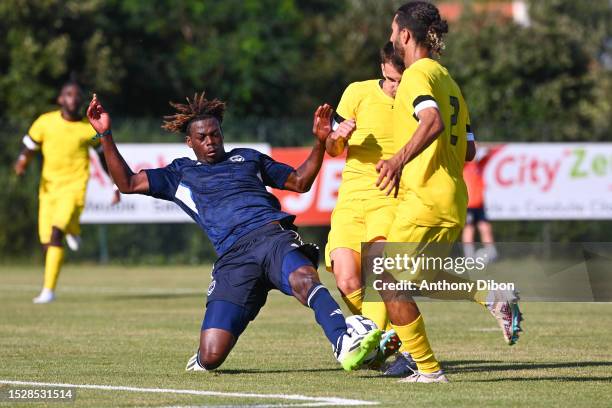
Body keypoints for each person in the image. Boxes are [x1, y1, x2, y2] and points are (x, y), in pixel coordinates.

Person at [86, 92, 381, 372]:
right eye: (202, 137)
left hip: (272, 237)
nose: (211, 141)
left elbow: (300, 182)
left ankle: (344, 339)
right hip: (235, 258)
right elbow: (126, 183)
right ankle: (206, 353)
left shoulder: (248, 159)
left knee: (305, 280)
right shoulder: (179, 174)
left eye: (215, 134)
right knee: (211, 356)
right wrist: (105, 134)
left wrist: (319, 142)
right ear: (190, 142)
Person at [374, 1, 522, 383]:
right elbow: (470, 148)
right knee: (422, 277)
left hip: (425, 195)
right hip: (452, 196)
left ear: (405, 35)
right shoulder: (448, 79)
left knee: (387, 280)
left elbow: (433, 121)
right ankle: (492, 295)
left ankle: (427, 369)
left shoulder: (416, 75)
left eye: (393, 30)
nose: (391, 37)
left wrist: (398, 160)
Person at [325, 42, 411, 374]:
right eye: (391, 80)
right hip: (349, 199)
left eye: (401, 81)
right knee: (346, 280)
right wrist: (338, 136)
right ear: (382, 70)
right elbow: (332, 148)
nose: (395, 88)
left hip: (389, 196)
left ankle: (379, 346)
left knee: (381, 272)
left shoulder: (416, 102)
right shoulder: (356, 93)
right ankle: (391, 338)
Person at [14, 80, 119, 304]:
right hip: (48, 189)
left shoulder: (87, 129)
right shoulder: (45, 122)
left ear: (80, 101)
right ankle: (73, 228)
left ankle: (48, 291)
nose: (73, 98)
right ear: (61, 99)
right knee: (47, 243)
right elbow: (29, 147)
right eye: (68, 94)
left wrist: (114, 185)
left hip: (74, 188)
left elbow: (103, 157)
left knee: (55, 234)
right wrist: (22, 162)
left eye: (76, 95)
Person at [462, 147, 498, 262]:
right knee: (469, 229)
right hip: (469, 205)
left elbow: (491, 153)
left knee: (485, 227)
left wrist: (484, 148)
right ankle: (469, 255)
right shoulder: (464, 165)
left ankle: (492, 253)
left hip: (479, 204)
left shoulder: (479, 165)